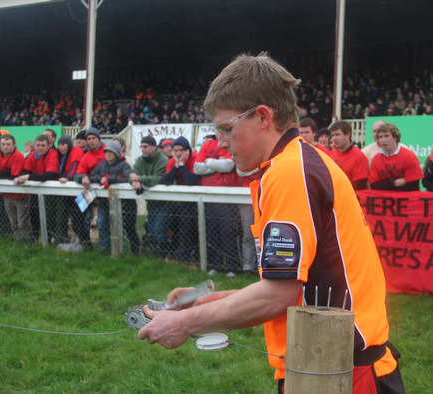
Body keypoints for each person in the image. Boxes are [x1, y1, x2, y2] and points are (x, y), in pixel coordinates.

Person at [139, 53, 404, 394]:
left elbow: (278, 295)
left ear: (262, 116)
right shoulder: (298, 162)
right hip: (328, 361)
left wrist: (184, 323)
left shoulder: (289, 172)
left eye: (226, 128)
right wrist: (207, 302)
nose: (220, 143)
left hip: (341, 372)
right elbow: (295, 288)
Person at [194, 135, 241, 276]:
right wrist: (216, 163)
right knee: (212, 233)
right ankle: (215, 266)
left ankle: (233, 268)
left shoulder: (230, 143)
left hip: (228, 198)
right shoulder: (206, 145)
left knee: (229, 233)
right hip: (209, 197)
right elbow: (197, 168)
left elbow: (229, 166)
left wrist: (207, 161)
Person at [86, 141, 132, 251]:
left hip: (120, 202)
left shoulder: (124, 165)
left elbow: (127, 179)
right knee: (101, 223)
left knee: (118, 226)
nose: (107, 154)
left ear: (116, 153)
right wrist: (99, 178)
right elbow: (91, 176)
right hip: (104, 201)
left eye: (110, 152)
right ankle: (105, 249)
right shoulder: (101, 166)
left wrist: (111, 178)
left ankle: (121, 249)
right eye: (106, 152)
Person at [162, 137, 201, 264]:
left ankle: (193, 258)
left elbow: (192, 180)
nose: (178, 153)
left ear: (188, 150)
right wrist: (176, 166)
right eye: (175, 150)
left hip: (199, 200)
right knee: (180, 228)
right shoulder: (173, 161)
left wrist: (182, 165)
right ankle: (181, 256)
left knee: (194, 229)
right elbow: (166, 180)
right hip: (182, 201)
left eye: (181, 150)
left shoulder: (196, 158)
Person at [15, 134, 59, 241]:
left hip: (51, 193)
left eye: (43, 145)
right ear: (34, 145)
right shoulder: (33, 154)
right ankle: (34, 240)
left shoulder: (52, 155)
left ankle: (48, 241)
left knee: (50, 218)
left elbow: (49, 175)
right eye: (38, 145)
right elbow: (26, 170)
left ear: (49, 145)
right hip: (36, 191)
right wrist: (19, 177)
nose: (40, 148)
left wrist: (28, 176)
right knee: (34, 216)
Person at [131, 135, 169, 256]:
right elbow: (132, 175)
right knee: (151, 228)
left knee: (158, 229)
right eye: (141, 146)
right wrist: (134, 181)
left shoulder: (163, 160)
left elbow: (159, 179)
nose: (142, 149)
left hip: (166, 201)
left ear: (153, 147)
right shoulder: (140, 160)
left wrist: (140, 178)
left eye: (145, 147)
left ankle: (161, 256)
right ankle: (155, 256)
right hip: (151, 201)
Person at [0, 134, 32, 243]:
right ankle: (19, 241)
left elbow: (14, 175)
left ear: (14, 145)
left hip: (20, 194)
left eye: (8, 144)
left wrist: (5, 175)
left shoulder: (18, 155)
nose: (5, 147)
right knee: (13, 222)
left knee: (23, 221)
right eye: (3, 144)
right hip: (7, 194)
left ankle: (28, 241)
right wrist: (8, 174)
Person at [74, 128, 107, 249]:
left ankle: (106, 250)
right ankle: (87, 247)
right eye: (89, 139)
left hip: (108, 193)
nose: (91, 141)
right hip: (91, 192)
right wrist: (83, 177)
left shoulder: (108, 150)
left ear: (99, 139)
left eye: (94, 138)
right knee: (77, 218)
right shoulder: (86, 156)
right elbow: (77, 175)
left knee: (102, 222)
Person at [369, 122, 422, 191]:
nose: (383, 140)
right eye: (380, 137)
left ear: (395, 137)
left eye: (387, 136)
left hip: (407, 200)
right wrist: (394, 183)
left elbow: (412, 186)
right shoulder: (376, 159)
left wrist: (385, 185)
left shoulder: (409, 156)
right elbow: (374, 186)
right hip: (384, 200)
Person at [56, 135, 86, 244]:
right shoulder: (62, 157)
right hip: (69, 193)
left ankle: (86, 244)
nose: (60, 147)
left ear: (68, 144)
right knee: (74, 220)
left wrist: (68, 179)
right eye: (59, 145)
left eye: (63, 144)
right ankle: (79, 243)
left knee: (80, 220)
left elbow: (76, 167)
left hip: (80, 192)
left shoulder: (76, 150)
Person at [328, 121, 368, 190]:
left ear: (347, 135)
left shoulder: (359, 156)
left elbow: (360, 185)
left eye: (337, 135)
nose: (334, 138)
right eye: (332, 135)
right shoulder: (331, 153)